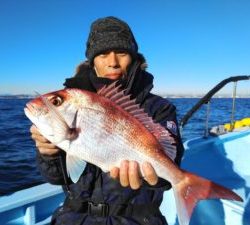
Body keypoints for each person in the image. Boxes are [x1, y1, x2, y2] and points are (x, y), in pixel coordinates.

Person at [30, 16, 184, 225]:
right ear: (92, 60)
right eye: (102, 54)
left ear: (134, 57)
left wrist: (155, 180)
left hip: (136, 219)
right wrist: (49, 154)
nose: (112, 62)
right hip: (74, 217)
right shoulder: (75, 104)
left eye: (121, 53)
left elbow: (169, 166)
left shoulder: (159, 108)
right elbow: (58, 178)